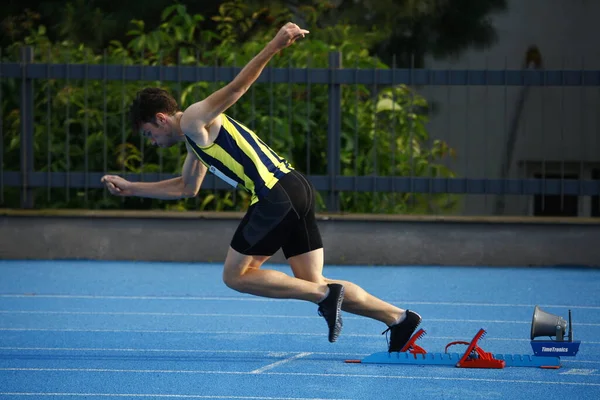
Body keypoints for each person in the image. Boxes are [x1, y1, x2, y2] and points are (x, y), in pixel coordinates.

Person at [101, 22, 421, 350]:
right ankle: (398, 319)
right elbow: (186, 188)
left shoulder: (195, 119)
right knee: (314, 281)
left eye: (148, 133)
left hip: (275, 195)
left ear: (161, 118)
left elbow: (238, 88)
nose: (151, 142)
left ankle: (326, 297)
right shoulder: (195, 140)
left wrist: (275, 45)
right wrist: (131, 187)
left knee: (236, 275)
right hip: (297, 189)